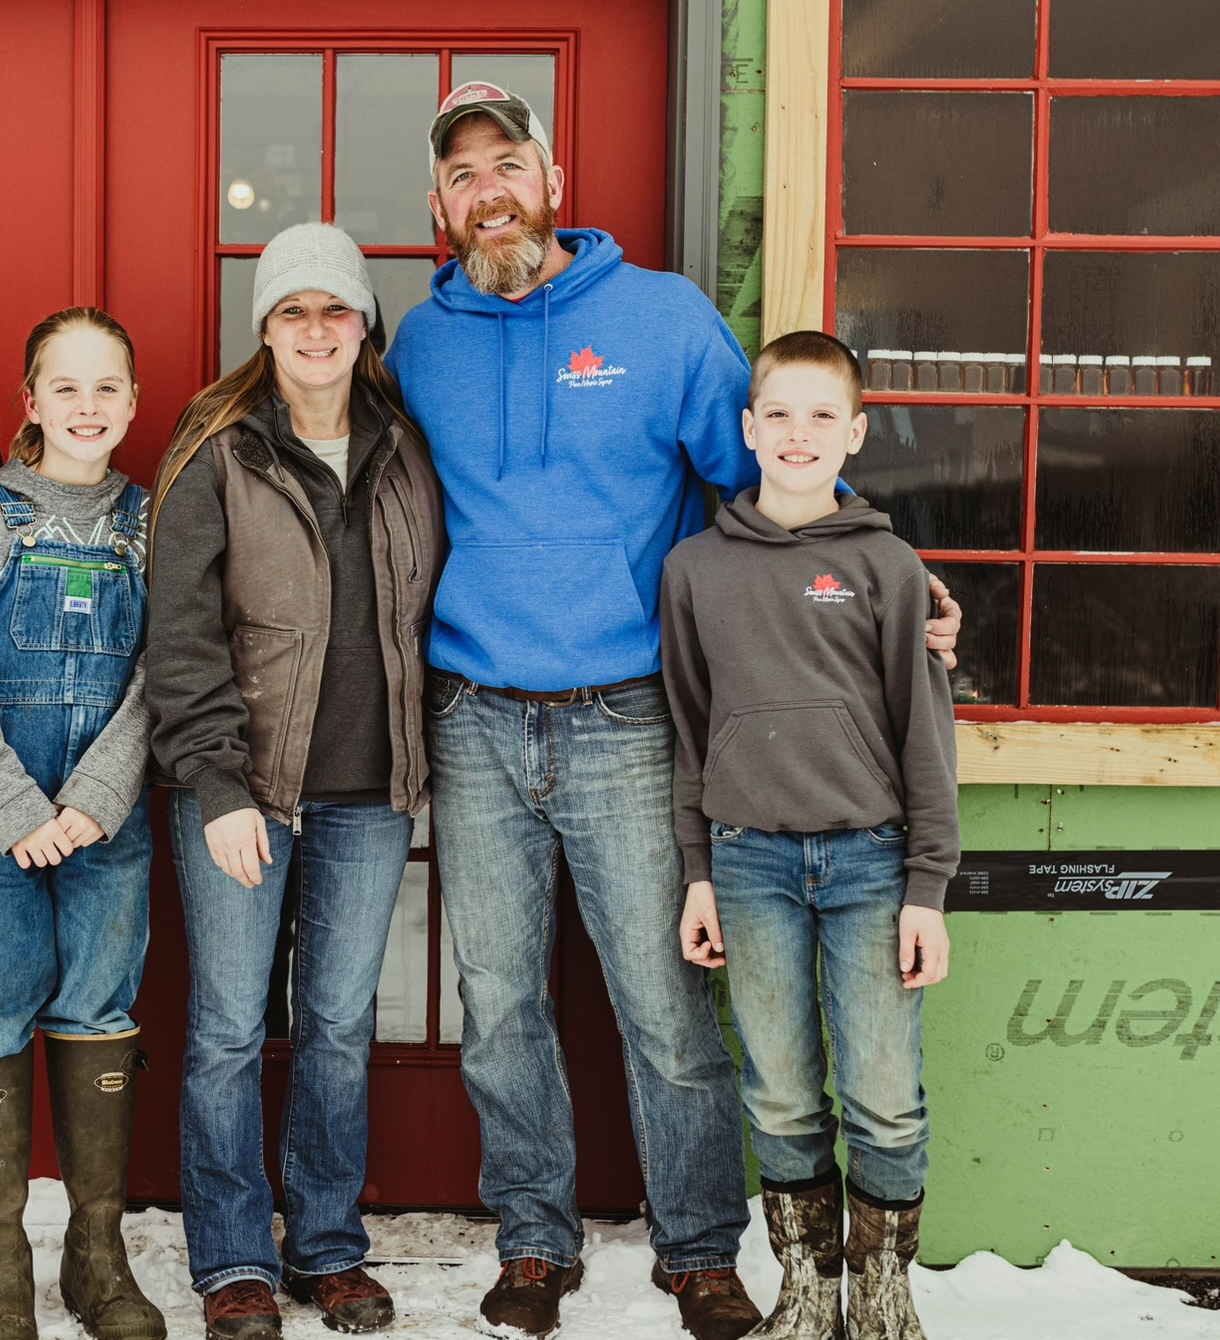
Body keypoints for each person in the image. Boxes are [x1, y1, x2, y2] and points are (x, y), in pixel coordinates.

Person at [382, 82, 962, 1340]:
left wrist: (894, 584)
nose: (489, 190)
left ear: (551, 181)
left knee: (662, 1002)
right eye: (463, 175)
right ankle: (533, 1239)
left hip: (628, 715)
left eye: (507, 163)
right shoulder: (417, 347)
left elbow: (777, 480)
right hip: (475, 714)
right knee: (499, 1000)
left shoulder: (662, 320)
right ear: (439, 207)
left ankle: (698, 1247)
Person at [146, 222, 444, 1340]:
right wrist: (217, 786)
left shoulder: (407, 449)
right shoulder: (216, 450)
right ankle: (231, 1260)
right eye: (291, 312)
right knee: (226, 1026)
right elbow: (177, 637)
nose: (314, 331)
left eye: (334, 310)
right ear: (263, 331)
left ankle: (326, 1245)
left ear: (363, 325)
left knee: (334, 1023)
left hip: (370, 789)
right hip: (246, 789)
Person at [664, 330, 955, 1340]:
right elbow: (687, 734)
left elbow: (926, 736)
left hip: (871, 862)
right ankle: (804, 1291)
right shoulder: (695, 569)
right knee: (781, 1093)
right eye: (777, 413)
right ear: (747, 428)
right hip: (749, 862)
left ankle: (879, 1299)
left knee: (882, 1094)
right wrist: (698, 874)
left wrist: (928, 887)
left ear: (857, 433)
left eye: (821, 415)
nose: (798, 434)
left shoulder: (887, 565)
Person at [0, 307, 163, 1340]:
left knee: (100, 1009)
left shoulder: (148, 520)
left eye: (107, 386)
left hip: (106, 823)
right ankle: (0, 1262)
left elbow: (165, 675)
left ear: (133, 402)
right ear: (29, 404)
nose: (86, 406)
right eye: (64, 387)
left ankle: (96, 1253)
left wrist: (95, 800)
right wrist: (17, 809)